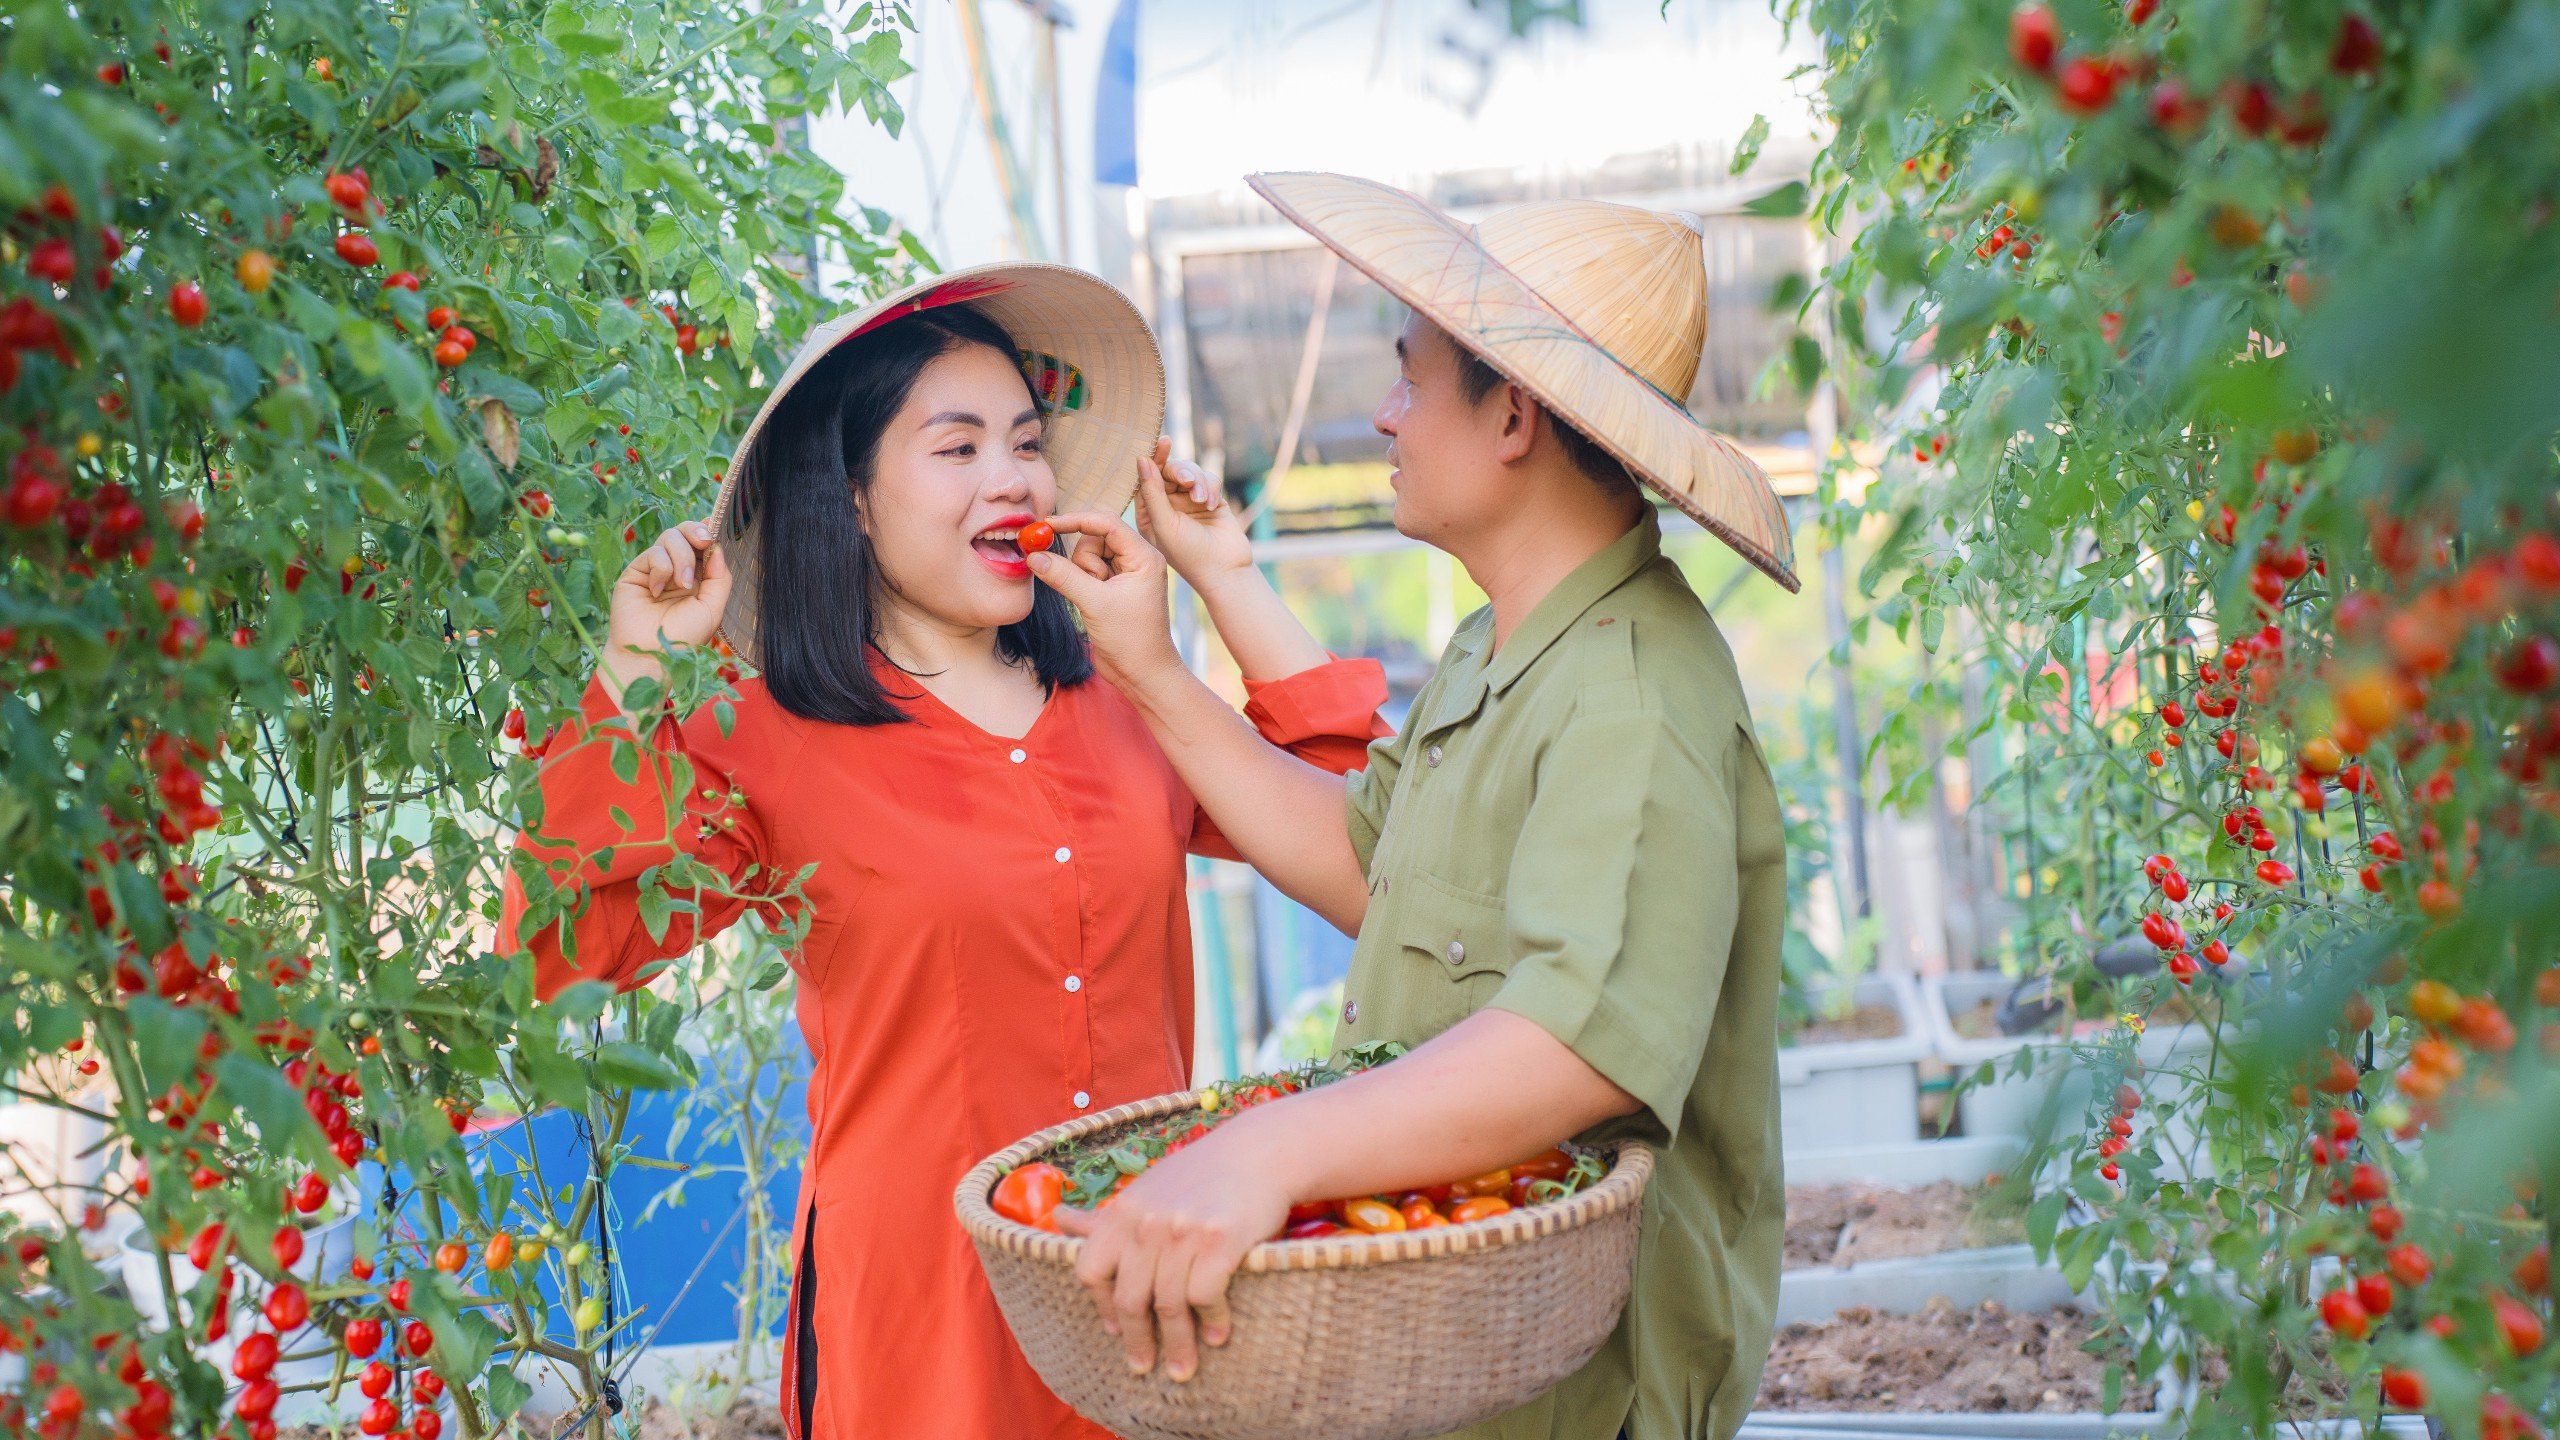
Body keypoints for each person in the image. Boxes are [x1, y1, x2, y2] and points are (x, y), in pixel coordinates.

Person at [494, 263, 1387, 1440]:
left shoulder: (1135, 701)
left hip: (1150, 1291)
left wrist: (1223, 577)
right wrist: (634, 669)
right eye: (956, 449)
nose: (1011, 477)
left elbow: (1370, 846)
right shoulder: (760, 741)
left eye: (1024, 443)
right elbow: (554, 948)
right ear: (853, 500)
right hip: (923, 1324)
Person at [1027, 174, 1800, 1440]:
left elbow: (1575, 1043)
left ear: (1512, 417)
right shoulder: (1502, 648)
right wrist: (1152, 665)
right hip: (1471, 1367)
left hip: (1578, 1394)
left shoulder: (1632, 697)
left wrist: (1267, 1152)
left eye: (1409, 376)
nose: (1381, 414)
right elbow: (1359, 862)